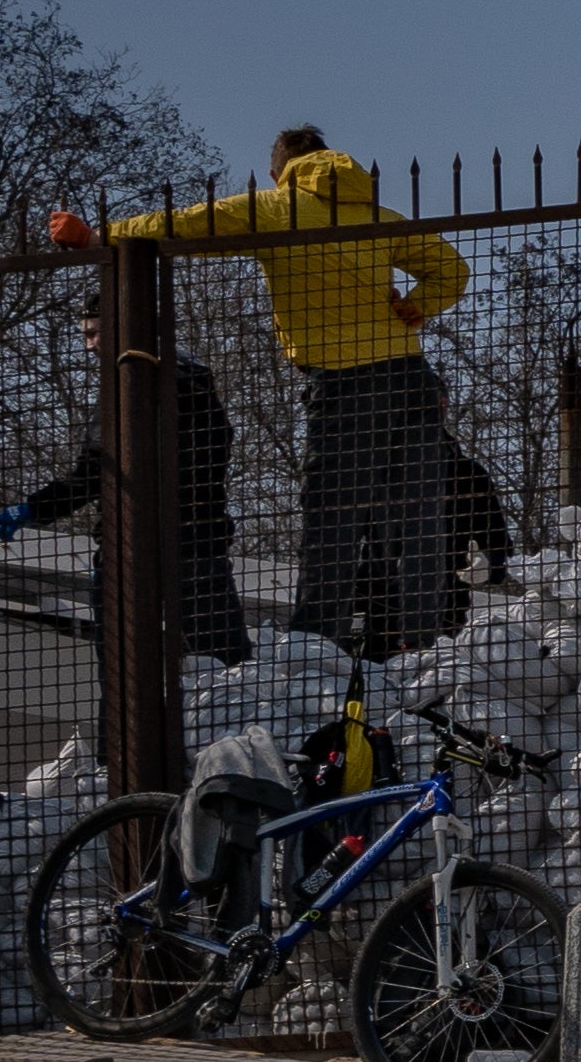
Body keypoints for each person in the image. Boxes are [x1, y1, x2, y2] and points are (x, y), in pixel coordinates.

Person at [92, 126, 477, 661]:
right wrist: (418, 305)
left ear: (280, 170)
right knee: (418, 512)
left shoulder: (278, 207)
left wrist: (101, 235)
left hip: (343, 385)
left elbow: (185, 224)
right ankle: (418, 637)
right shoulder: (378, 215)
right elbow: (452, 270)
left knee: (333, 517)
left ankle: (317, 644)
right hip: (410, 379)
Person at [0, 298, 250, 667]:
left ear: (123, 327)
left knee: (124, 678)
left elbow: (96, 470)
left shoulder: (135, 385)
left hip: (139, 550)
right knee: (228, 669)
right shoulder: (191, 376)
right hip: (193, 543)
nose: (88, 346)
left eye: (94, 333)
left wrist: (36, 507)